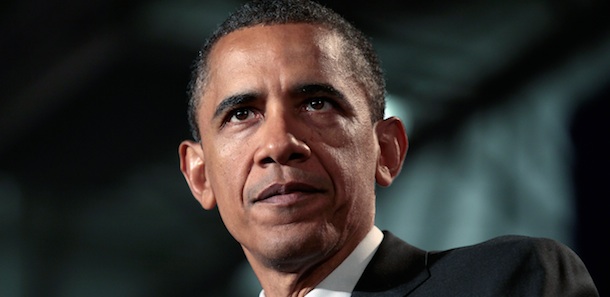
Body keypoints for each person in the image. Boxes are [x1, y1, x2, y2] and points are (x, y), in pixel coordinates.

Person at [178, 0, 599, 296]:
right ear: (199, 175)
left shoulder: (505, 282)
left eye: (316, 104)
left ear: (387, 150)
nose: (278, 143)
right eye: (241, 115)